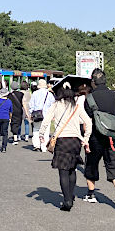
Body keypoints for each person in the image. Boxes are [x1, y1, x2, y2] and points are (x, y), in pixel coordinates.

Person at [39, 82, 92, 211]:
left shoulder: (56, 105)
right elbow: (88, 122)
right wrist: (85, 139)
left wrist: (41, 133)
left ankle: (67, 199)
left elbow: (46, 120)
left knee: (63, 171)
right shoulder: (77, 106)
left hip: (62, 140)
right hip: (75, 141)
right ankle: (71, 195)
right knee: (72, 169)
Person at [83, 68, 115, 210]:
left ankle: (91, 194)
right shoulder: (114, 96)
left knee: (91, 164)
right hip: (113, 137)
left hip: (95, 136)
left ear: (93, 82)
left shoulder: (89, 98)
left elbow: (87, 120)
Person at [29, 79, 55, 152]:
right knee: (46, 131)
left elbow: (31, 104)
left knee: (36, 129)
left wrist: (31, 113)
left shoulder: (35, 93)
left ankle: (36, 145)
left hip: (36, 114)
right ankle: (44, 146)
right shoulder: (49, 94)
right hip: (47, 115)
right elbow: (53, 105)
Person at [0, 88, 13, 152]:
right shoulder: (9, 101)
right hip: (6, 117)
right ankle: (4, 147)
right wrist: (10, 118)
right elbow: (10, 112)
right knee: (5, 133)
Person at [8, 81, 25, 145]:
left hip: (12, 111)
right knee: (18, 123)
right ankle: (18, 135)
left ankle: (15, 138)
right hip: (19, 110)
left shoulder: (9, 95)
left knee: (13, 124)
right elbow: (23, 103)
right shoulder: (21, 94)